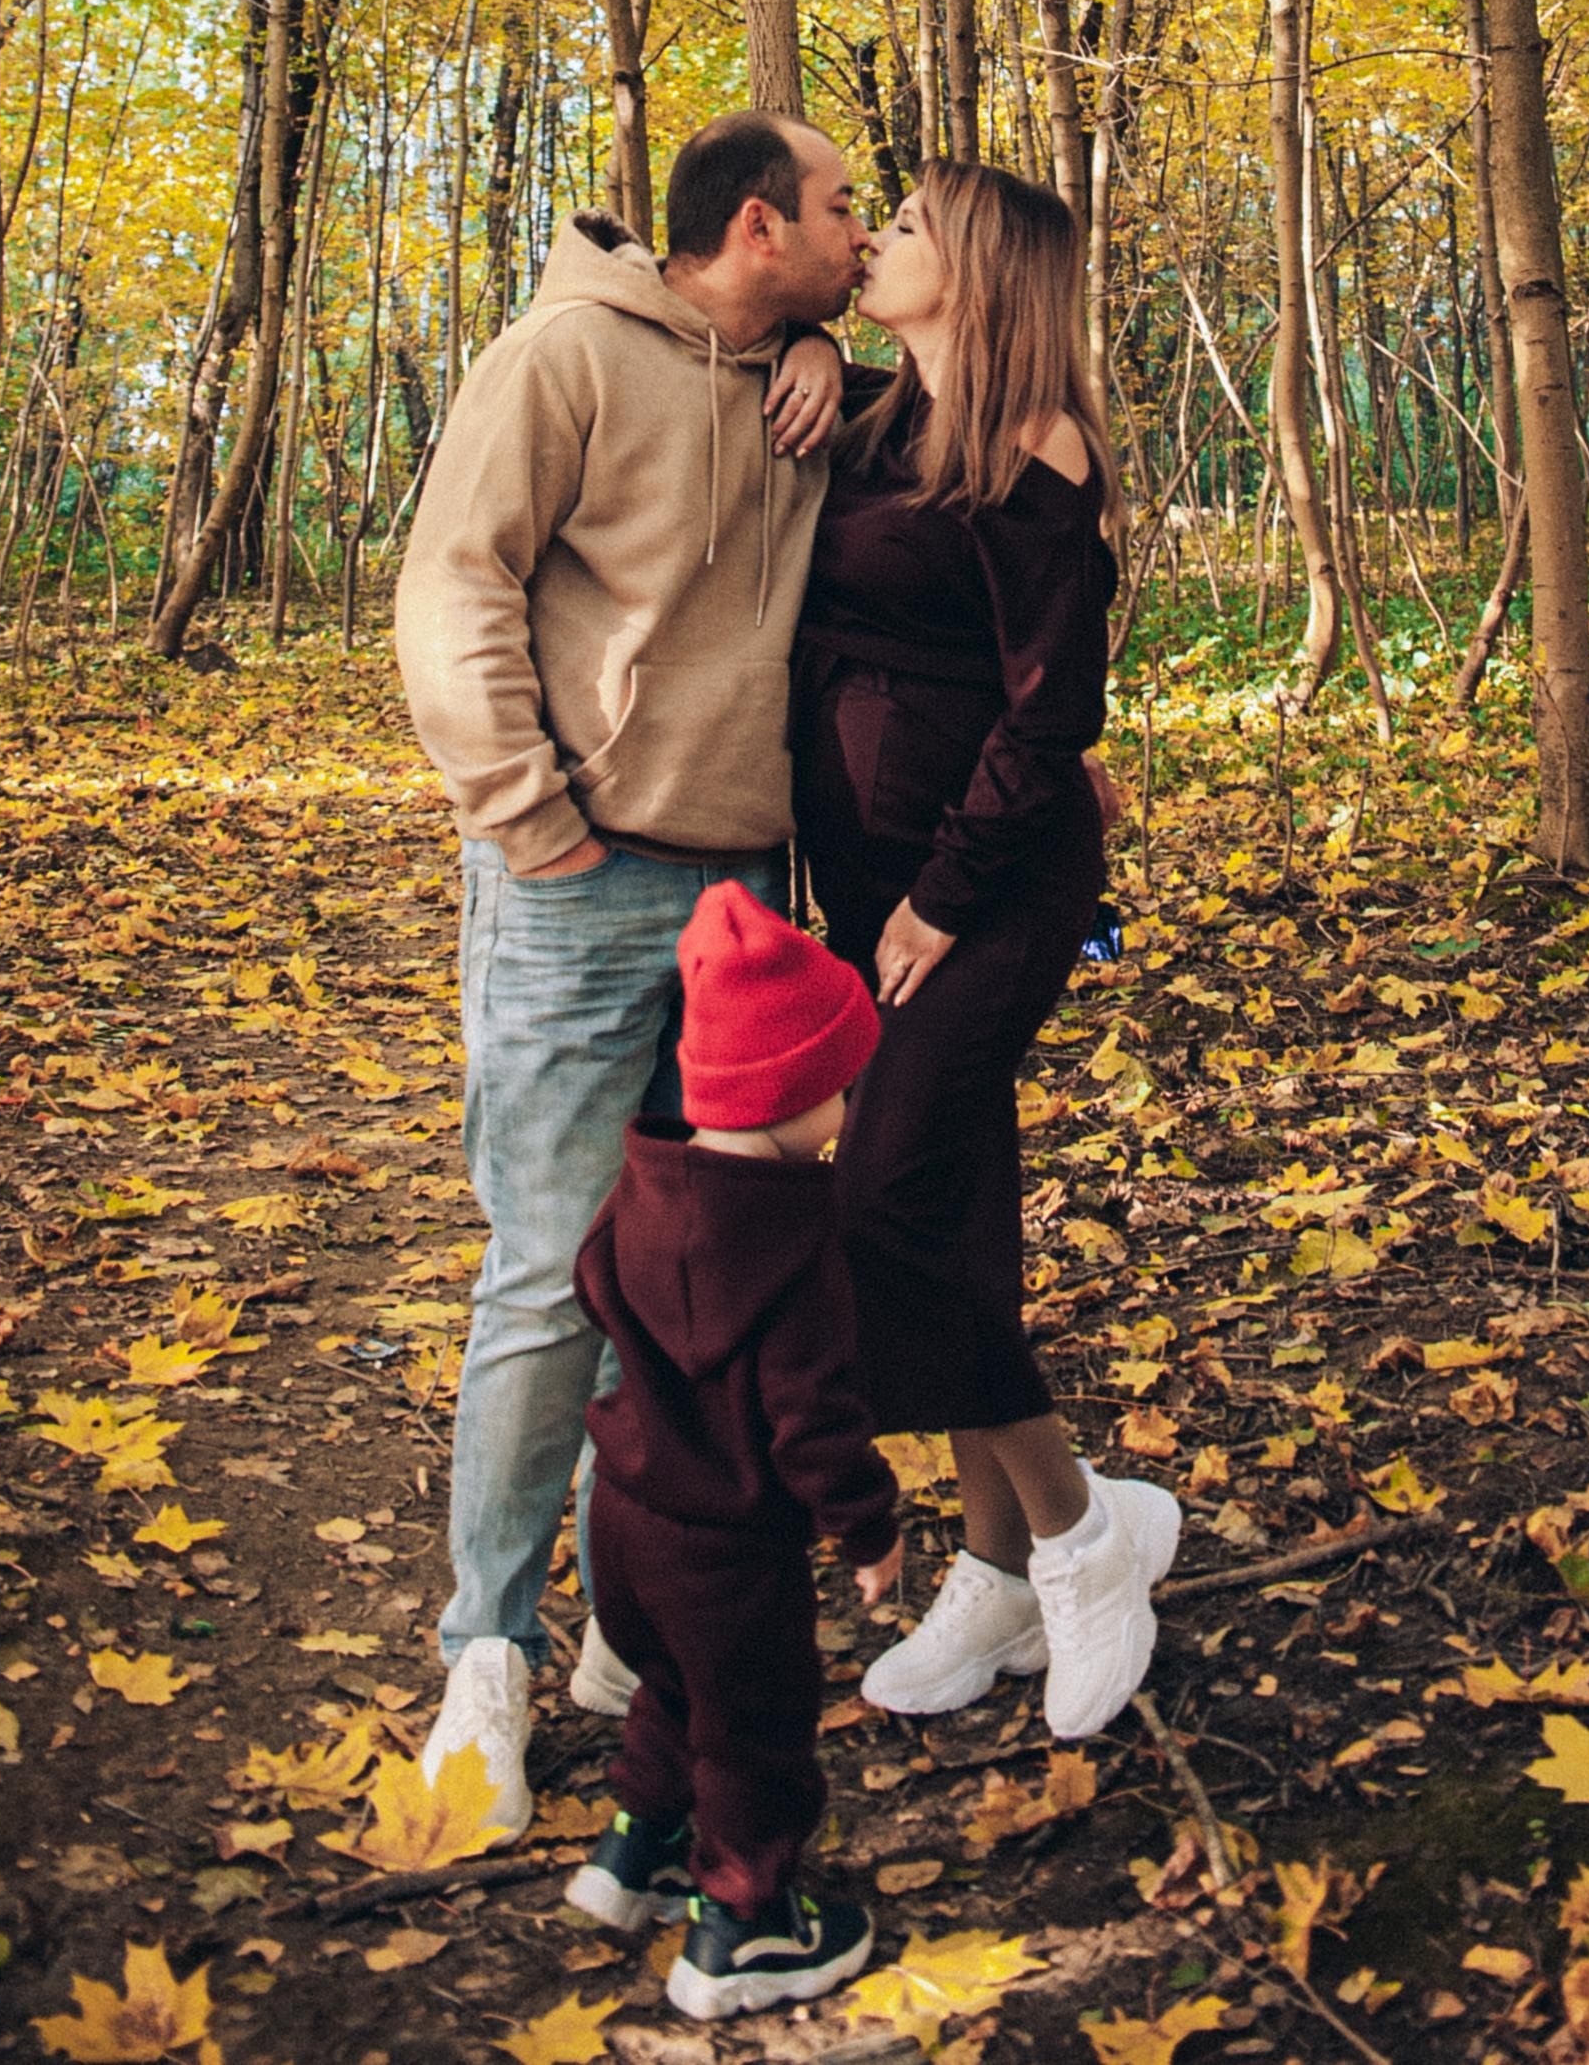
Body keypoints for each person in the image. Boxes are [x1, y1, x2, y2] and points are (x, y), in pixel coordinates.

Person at [393, 113, 870, 1834]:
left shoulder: (792, 374)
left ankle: (634, 1629)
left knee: (691, 1276)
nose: (861, 229)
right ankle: (484, 1654)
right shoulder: (559, 356)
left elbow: (952, 390)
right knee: (546, 1271)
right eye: (839, 212)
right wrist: (529, 815)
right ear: (757, 223)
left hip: (740, 890)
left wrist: (821, 342)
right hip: (579, 884)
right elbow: (454, 582)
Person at [792, 158, 1180, 1735]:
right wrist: (815, 352)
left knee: (883, 1205)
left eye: (908, 226)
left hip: (985, 891)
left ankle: (1088, 1534)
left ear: (984, 271)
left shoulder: (1043, 448)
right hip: (869, 877)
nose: (875, 239)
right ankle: (996, 1565)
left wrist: (942, 897)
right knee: (953, 1210)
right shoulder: (881, 420)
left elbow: (1052, 710)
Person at [566, 879, 900, 2021]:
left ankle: (634, 1849)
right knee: (751, 1727)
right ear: (791, 1091)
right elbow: (812, 1416)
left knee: (668, 1686)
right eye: (838, 1086)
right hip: (725, 1545)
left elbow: (590, 1287)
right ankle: (745, 1920)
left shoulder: (644, 1179)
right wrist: (866, 1525)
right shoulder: (794, 1249)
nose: (847, 1108)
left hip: (623, 1513)